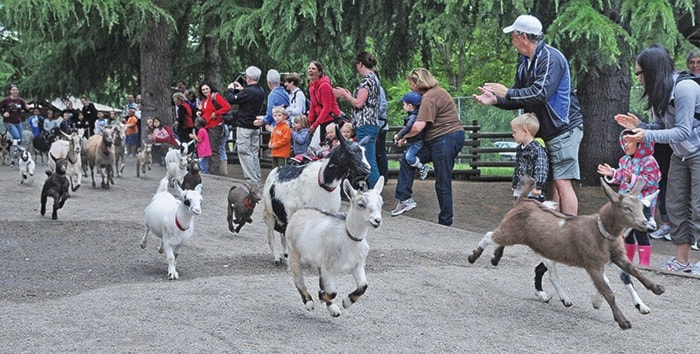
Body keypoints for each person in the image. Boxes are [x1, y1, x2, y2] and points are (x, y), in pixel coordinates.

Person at [473, 14, 584, 216]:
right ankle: (556, 228)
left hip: (563, 129)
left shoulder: (552, 58)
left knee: (562, 181)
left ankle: (571, 233)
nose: (511, 40)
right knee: (552, 181)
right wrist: (496, 100)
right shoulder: (525, 63)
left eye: (513, 35)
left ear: (523, 37)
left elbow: (540, 92)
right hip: (545, 131)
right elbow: (520, 97)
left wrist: (506, 92)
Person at [614, 45, 700, 274]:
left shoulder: (685, 88)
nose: (638, 78)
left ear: (652, 71)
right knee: (675, 205)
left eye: (639, 73)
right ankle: (682, 261)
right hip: (680, 154)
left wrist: (647, 133)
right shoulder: (659, 93)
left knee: (699, 206)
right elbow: (661, 128)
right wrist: (640, 127)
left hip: (698, 150)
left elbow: (683, 130)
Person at [391, 68, 466, 226]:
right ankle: (405, 199)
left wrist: (402, 136)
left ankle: (445, 222)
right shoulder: (432, 94)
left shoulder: (430, 97)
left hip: (446, 138)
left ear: (418, 83)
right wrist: (407, 138)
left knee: (442, 180)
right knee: (407, 160)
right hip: (436, 139)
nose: (409, 86)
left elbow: (418, 126)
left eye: (410, 83)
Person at [597, 129, 660, 266]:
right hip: (626, 206)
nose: (625, 145)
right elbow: (621, 176)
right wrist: (613, 173)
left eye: (630, 142)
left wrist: (634, 179)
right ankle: (627, 261)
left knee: (641, 231)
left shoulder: (650, 162)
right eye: (624, 142)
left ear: (641, 144)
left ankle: (644, 263)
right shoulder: (624, 160)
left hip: (641, 205)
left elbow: (651, 180)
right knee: (627, 233)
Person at [333, 51, 382, 187]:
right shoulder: (374, 79)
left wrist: (346, 96)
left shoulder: (367, 81)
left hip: (365, 125)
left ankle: (374, 192)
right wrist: (348, 95)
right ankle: (373, 189)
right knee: (370, 158)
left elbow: (359, 103)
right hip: (371, 124)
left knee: (368, 160)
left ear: (361, 64)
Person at [226, 66, 265, 182]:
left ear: (248, 77)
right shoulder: (260, 90)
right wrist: (242, 89)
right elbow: (248, 96)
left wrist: (231, 89)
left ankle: (251, 179)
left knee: (244, 152)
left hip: (244, 126)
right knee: (253, 153)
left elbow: (231, 99)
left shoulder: (248, 91)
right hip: (255, 126)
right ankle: (257, 176)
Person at [510, 113, 549, 201]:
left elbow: (541, 168)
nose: (513, 134)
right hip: (521, 189)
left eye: (515, 132)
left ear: (525, 132)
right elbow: (518, 168)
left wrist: (538, 186)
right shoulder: (520, 149)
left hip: (532, 191)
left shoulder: (537, 149)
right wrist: (515, 184)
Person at [393, 91, 431, 181]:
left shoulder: (413, 117)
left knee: (409, 157)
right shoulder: (414, 115)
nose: (403, 107)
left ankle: (422, 167)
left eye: (404, 104)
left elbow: (408, 127)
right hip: (413, 141)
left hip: (416, 142)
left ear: (409, 106)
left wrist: (399, 135)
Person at [196, 82, 231, 176]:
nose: (205, 91)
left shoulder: (216, 97)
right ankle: (209, 169)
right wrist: (200, 113)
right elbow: (206, 113)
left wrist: (217, 113)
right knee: (208, 148)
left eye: (207, 89)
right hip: (206, 126)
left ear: (210, 89)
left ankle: (214, 171)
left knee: (213, 148)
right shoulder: (204, 100)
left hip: (215, 126)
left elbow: (227, 107)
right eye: (203, 90)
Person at [307, 61, 342, 147]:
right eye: (309, 68)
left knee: (329, 145)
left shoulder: (324, 86)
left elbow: (327, 107)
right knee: (323, 144)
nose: (310, 70)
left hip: (331, 119)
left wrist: (316, 124)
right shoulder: (312, 87)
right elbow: (313, 105)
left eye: (313, 69)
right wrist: (310, 122)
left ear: (319, 72)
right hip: (322, 120)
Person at [376, 85, 390, 183]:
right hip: (375, 124)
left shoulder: (379, 89)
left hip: (380, 125)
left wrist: (371, 115)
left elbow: (383, 105)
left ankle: (384, 176)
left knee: (380, 152)